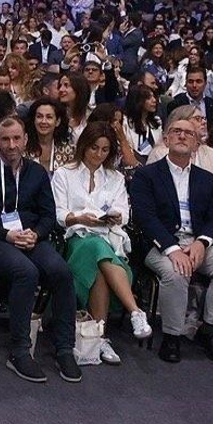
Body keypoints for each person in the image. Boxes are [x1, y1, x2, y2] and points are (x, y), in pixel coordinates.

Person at [0, 115, 80, 383]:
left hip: (31, 237)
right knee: (25, 272)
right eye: (5, 139)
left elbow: (48, 215)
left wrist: (36, 234)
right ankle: (19, 350)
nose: (11, 145)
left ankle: (64, 348)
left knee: (61, 271)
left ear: (26, 139)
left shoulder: (37, 172)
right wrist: (7, 235)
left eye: (17, 138)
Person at [130, 107, 213, 365]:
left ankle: (212, 330)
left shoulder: (208, 179)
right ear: (166, 139)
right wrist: (173, 249)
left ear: (196, 142)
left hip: (198, 243)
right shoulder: (147, 175)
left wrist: (203, 242)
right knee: (175, 271)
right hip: (160, 245)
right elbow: (145, 218)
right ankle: (172, 336)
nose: (182, 136)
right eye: (176, 132)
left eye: (188, 133)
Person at [51, 122, 150, 364]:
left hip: (108, 239)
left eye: (105, 150)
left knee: (100, 263)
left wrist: (114, 216)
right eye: (94, 148)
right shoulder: (64, 173)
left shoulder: (115, 177)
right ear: (84, 146)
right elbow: (59, 214)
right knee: (94, 247)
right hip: (76, 239)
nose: (98, 154)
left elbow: (124, 214)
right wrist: (79, 217)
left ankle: (100, 336)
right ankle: (135, 311)